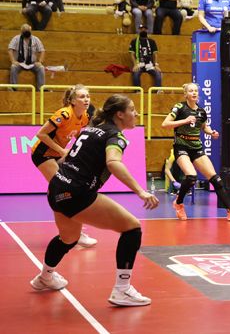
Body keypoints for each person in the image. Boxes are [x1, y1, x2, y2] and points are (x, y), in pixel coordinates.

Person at [30, 94, 159, 307]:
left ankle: (45, 276)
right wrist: (141, 191)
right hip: (77, 192)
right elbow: (113, 162)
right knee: (132, 228)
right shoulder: (115, 136)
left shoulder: (91, 129)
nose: (136, 114)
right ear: (119, 114)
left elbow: (68, 157)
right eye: (132, 110)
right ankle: (122, 290)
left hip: (57, 186)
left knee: (68, 238)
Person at [161, 83, 230, 221]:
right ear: (185, 94)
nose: (194, 93)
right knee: (191, 176)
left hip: (196, 148)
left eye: (195, 91)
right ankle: (179, 203)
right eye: (191, 91)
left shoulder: (201, 111)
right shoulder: (179, 107)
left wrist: (211, 132)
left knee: (216, 179)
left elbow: (204, 127)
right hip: (181, 147)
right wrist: (184, 121)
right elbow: (165, 124)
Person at [31, 85, 97, 247]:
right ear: (72, 100)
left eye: (87, 96)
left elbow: (79, 136)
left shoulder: (84, 117)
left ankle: (71, 232)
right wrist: (62, 151)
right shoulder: (64, 114)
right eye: (82, 96)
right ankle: (75, 234)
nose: (86, 99)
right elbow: (41, 134)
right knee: (65, 190)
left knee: (67, 190)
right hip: (43, 154)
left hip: (58, 156)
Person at [8, 23, 45, 91]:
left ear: (30, 31)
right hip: (19, 63)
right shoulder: (16, 38)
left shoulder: (36, 39)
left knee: (41, 68)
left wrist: (40, 61)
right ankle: (13, 87)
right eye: (25, 31)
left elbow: (42, 50)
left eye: (28, 31)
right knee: (13, 67)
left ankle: (40, 88)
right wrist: (13, 61)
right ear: (21, 31)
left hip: (32, 63)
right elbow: (10, 49)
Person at [129, 24, 162, 89]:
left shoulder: (152, 41)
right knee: (135, 73)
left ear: (147, 30)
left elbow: (155, 54)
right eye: (141, 29)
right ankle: (137, 91)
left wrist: (156, 65)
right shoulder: (134, 41)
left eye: (144, 29)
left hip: (149, 64)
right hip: (139, 63)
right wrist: (135, 64)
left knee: (158, 73)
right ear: (139, 30)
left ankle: (158, 90)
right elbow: (132, 54)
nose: (143, 30)